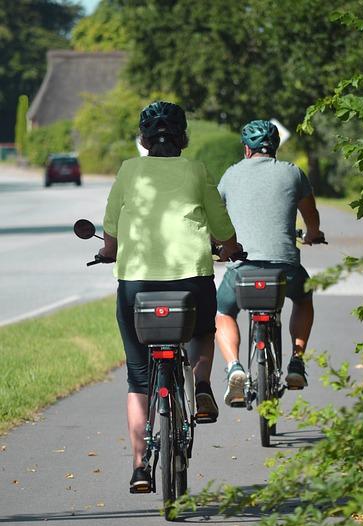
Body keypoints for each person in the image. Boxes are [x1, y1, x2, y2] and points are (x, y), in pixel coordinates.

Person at [99, 101, 241, 493]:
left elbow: (110, 227)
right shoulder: (196, 170)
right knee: (202, 332)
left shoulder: (129, 170)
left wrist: (109, 250)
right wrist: (229, 248)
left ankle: (141, 466)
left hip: (136, 287)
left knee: (138, 376)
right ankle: (201, 387)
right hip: (190, 281)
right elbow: (221, 226)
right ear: (184, 138)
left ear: (144, 140)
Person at [215, 119, 325, 406]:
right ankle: (297, 361)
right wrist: (313, 234)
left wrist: (218, 246)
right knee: (303, 299)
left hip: (242, 269)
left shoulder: (230, 175)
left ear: (247, 149)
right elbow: (310, 214)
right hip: (284, 268)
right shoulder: (293, 174)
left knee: (223, 310)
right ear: (275, 147)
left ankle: (234, 368)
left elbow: (216, 217)